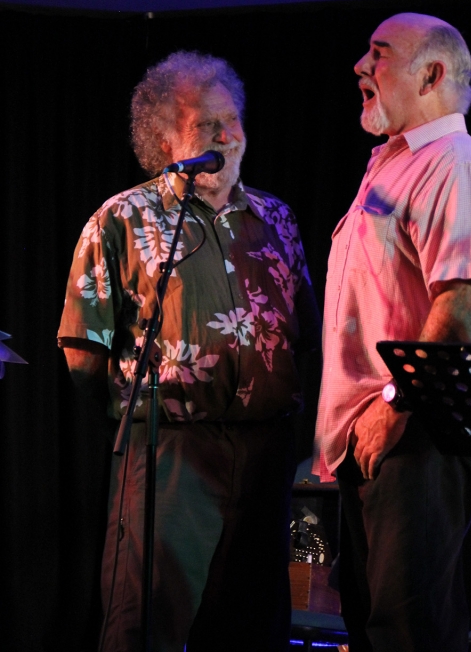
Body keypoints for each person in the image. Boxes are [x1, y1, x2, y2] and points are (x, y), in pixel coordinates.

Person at [58, 51, 321, 652]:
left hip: (265, 451)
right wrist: (141, 415)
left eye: (232, 120)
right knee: (147, 619)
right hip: (169, 452)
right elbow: (82, 355)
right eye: (206, 124)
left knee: (253, 624)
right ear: (164, 139)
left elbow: (304, 333)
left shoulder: (276, 218)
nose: (226, 135)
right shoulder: (122, 219)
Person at [313, 12, 471, 651]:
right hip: (380, 435)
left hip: (420, 429)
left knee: (409, 633)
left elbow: (465, 300)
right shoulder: (394, 167)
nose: (360, 66)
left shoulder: (457, 163)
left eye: (378, 54)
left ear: (430, 75)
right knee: (375, 628)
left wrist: (398, 404)